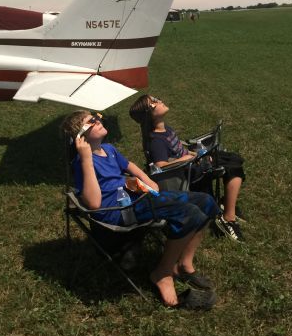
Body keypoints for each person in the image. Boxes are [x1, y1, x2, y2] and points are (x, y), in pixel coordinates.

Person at [61, 110, 220, 309]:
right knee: (190, 213)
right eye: (91, 121)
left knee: (206, 202)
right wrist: (85, 159)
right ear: (80, 138)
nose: (99, 119)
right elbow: (93, 203)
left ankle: (184, 265)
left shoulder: (109, 149)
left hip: (137, 196)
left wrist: (147, 180)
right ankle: (162, 273)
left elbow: (130, 165)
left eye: (97, 116)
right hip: (119, 211)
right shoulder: (82, 162)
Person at [129, 94, 247, 241]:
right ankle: (228, 218)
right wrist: (187, 159)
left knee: (233, 160)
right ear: (149, 115)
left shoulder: (166, 129)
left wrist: (195, 154)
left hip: (194, 162)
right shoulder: (156, 140)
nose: (159, 100)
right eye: (153, 102)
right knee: (233, 165)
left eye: (157, 98)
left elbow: (179, 149)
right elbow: (160, 166)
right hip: (188, 173)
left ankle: (226, 205)